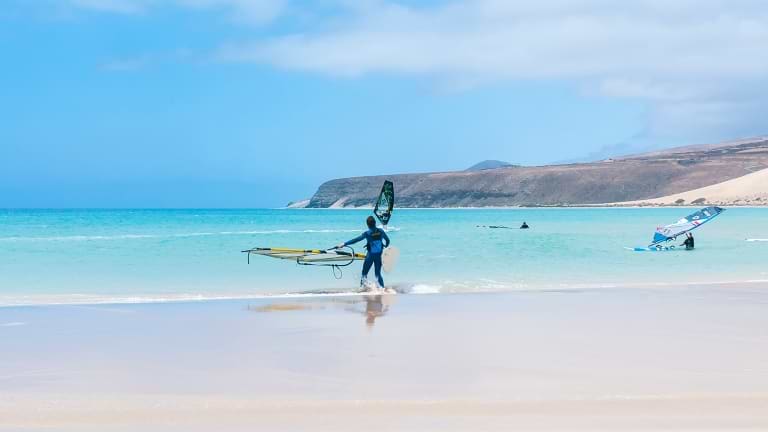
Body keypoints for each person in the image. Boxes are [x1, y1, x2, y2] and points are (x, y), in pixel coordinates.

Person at [337, 216, 390, 288]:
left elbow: (356, 240)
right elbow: (388, 240)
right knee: (377, 274)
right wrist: (385, 246)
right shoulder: (381, 231)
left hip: (370, 256)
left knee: (364, 273)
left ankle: (362, 289)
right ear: (375, 223)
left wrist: (344, 244)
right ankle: (382, 289)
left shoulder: (367, 233)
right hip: (379, 256)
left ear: (367, 225)